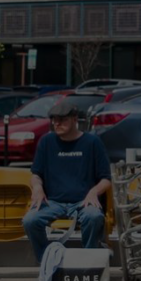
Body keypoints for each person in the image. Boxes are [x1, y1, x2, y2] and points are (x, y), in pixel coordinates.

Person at [22, 98, 111, 262]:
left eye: (62, 120)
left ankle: (90, 260)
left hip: (83, 202)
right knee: (30, 220)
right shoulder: (46, 142)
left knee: (94, 217)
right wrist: (37, 187)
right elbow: (35, 174)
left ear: (75, 119)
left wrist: (94, 191)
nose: (57, 123)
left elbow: (106, 179)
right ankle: (46, 261)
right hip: (53, 202)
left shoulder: (92, 142)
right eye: (54, 119)